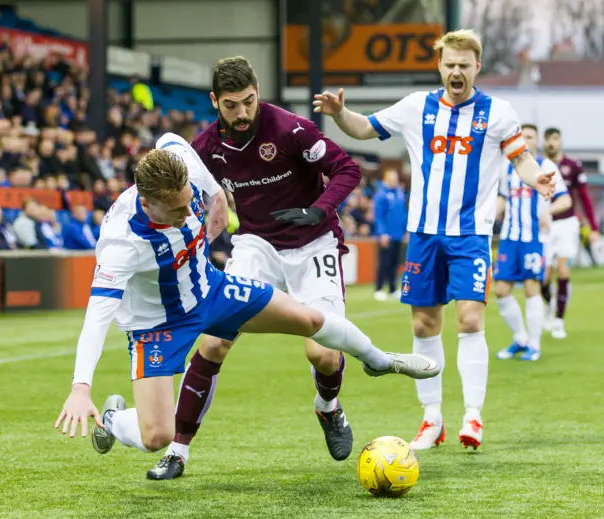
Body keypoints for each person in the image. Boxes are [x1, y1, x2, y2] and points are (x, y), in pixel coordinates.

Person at [54, 136, 440, 472]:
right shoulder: (120, 244)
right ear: (148, 203)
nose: (189, 213)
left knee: (308, 319)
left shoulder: (179, 166)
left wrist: (217, 193)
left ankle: (379, 359)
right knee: (157, 435)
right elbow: (96, 317)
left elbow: (172, 137)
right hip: (158, 324)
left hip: (211, 290)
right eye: (177, 210)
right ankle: (112, 419)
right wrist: (80, 387)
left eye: (192, 201)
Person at [313, 28, 556, 451]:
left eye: (464, 64)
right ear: (439, 66)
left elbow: (522, 158)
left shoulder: (498, 112)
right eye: (449, 64)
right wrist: (338, 114)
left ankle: (474, 416)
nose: (456, 71)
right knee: (424, 323)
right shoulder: (415, 107)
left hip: (471, 235)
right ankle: (431, 419)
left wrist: (538, 179)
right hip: (423, 234)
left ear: (477, 66)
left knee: (469, 319)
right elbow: (365, 129)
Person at [147, 56, 368, 480]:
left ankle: (328, 408)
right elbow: (185, 197)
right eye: (232, 105)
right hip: (255, 245)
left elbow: (347, 168)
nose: (243, 112)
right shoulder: (206, 148)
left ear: (258, 91)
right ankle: (177, 451)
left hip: (313, 244)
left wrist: (318, 211)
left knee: (322, 353)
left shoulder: (289, 128)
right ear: (215, 102)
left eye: (249, 101)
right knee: (213, 344)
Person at [493, 124, 572, 362]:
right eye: (522, 137)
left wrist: (549, 212)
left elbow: (565, 200)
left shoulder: (547, 167)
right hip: (509, 237)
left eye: (530, 137)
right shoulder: (506, 167)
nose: (526, 141)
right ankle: (520, 339)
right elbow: (503, 198)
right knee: (501, 291)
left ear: (536, 142)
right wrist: (488, 218)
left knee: (531, 288)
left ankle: (534, 345)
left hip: (533, 239)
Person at [542, 127, 599, 339]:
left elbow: (583, 197)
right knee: (543, 276)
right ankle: (550, 305)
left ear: (560, 141)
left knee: (564, 271)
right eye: (548, 139)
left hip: (566, 223)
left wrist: (593, 228)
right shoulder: (539, 166)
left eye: (555, 139)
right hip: (545, 226)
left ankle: (558, 321)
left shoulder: (572, 166)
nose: (551, 143)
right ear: (544, 141)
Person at [373, 168, 408, 301]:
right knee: (384, 263)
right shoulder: (381, 194)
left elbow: (403, 214)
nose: (394, 181)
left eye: (396, 178)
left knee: (395, 263)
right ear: (386, 179)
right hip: (386, 235)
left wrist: (405, 230)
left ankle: (393, 288)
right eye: (392, 178)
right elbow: (379, 216)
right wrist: (382, 233)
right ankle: (379, 288)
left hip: (398, 234)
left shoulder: (400, 193)